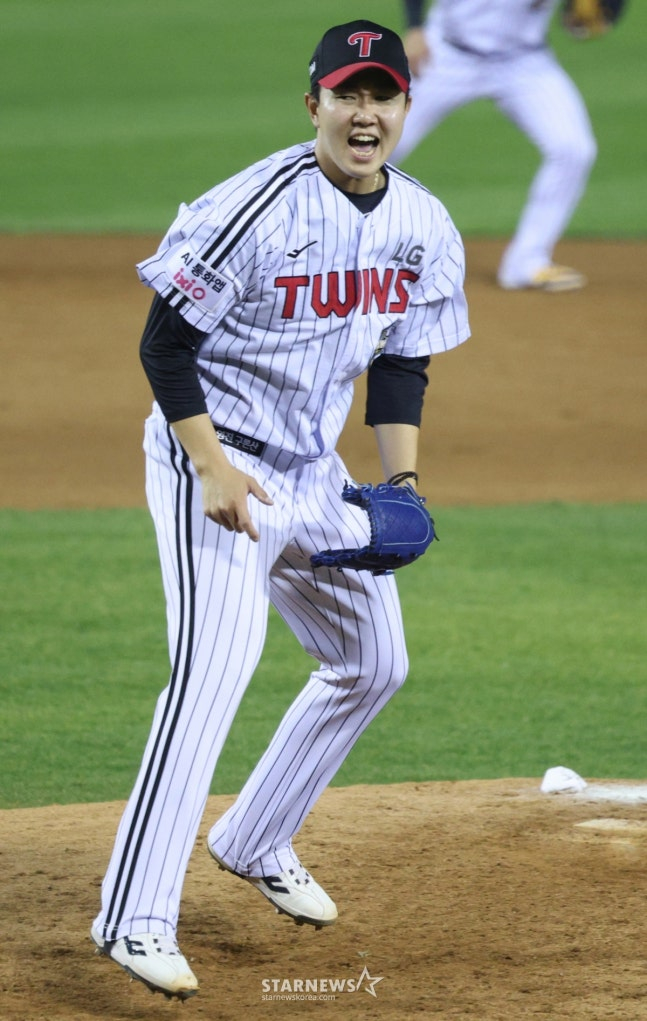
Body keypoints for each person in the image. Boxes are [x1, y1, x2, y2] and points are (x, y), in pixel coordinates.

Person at [90, 19, 470, 1000]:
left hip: (311, 472)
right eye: (346, 94)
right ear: (314, 105)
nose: (363, 112)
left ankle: (252, 836)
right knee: (211, 674)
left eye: (380, 95)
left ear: (401, 109)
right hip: (209, 464)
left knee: (371, 661)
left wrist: (399, 484)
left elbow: (399, 360)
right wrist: (208, 467)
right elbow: (163, 346)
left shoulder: (420, 223)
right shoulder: (250, 207)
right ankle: (133, 916)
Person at [393, 0, 597, 291]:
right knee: (378, 144)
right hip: (446, 53)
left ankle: (526, 263)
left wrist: (587, 20)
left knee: (574, 149)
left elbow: (587, 16)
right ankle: (321, 243)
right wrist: (415, 27)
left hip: (524, 63)